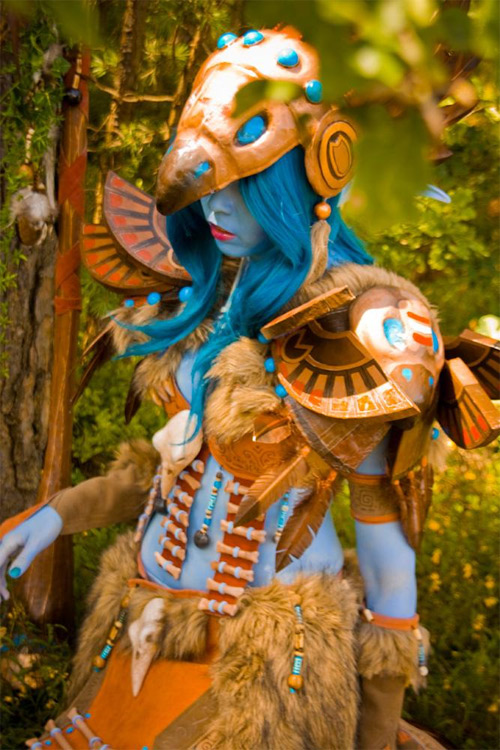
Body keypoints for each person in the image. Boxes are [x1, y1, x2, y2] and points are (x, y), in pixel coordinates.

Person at [1, 27, 497, 750]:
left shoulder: (367, 330)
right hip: (138, 640)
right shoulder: (205, 309)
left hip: (265, 671)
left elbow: (388, 563)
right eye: (209, 188)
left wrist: (376, 726)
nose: (217, 209)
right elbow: (166, 480)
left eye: (247, 185)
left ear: (309, 178)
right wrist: (54, 515)